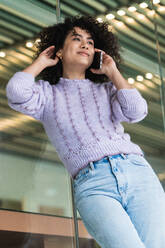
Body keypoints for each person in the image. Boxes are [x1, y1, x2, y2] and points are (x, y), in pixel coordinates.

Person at [6, 15, 165, 248]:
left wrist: (113, 72)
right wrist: (41, 62)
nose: (85, 45)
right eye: (77, 39)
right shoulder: (46, 95)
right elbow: (16, 92)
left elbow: (136, 111)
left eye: (90, 42)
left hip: (137, 171)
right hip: (93, 183)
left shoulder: (106, 89)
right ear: (58, 51)